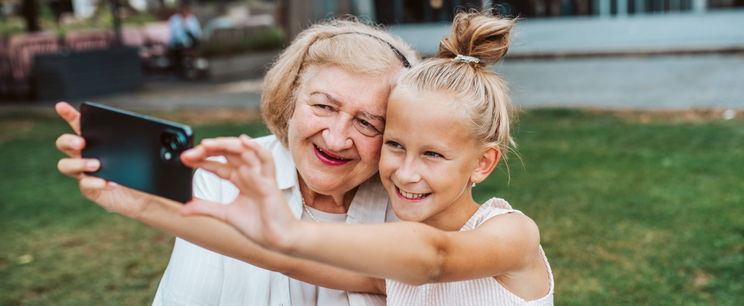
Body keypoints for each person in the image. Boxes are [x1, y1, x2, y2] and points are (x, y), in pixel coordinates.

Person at [179, 12, 554, 305]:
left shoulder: (514, 235)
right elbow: (283, 258)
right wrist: (133, 199)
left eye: (367, 122)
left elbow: (434, 259)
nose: (406, 173)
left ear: (483, 163)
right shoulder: (392, 270)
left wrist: (288, 231)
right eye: (395, 145)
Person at [54, 18, 417, 305]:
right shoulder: (225, 177)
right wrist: (139, 203)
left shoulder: (411, 200)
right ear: (291, 101)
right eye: (323, 106)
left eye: (369, 122)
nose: (337, 138)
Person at [168, 1, 202, 77]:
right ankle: (180, 72)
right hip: (178, 44)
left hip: (192, 42)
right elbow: (175, 34)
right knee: (179, 50)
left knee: (194, 46)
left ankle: (193, 70)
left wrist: (187, 27)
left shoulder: (192, 18)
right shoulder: (174, 19)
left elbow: (197, 32)